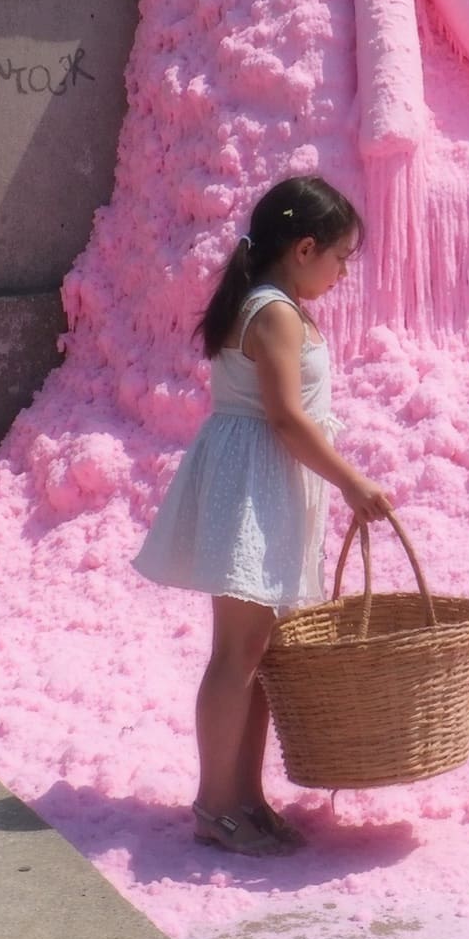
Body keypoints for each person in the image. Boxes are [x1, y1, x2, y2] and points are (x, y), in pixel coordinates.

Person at [136, 172, 392, 856]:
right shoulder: (273, 311)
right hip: (252, 484)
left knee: (258, 652)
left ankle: (244, 797)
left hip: (265, 483)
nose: (342, 272)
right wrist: (351, 483)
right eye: (340, 258)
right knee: (237, 651)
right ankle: (216, 804)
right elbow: (284, 416)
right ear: (304, 248)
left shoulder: (275, 305)